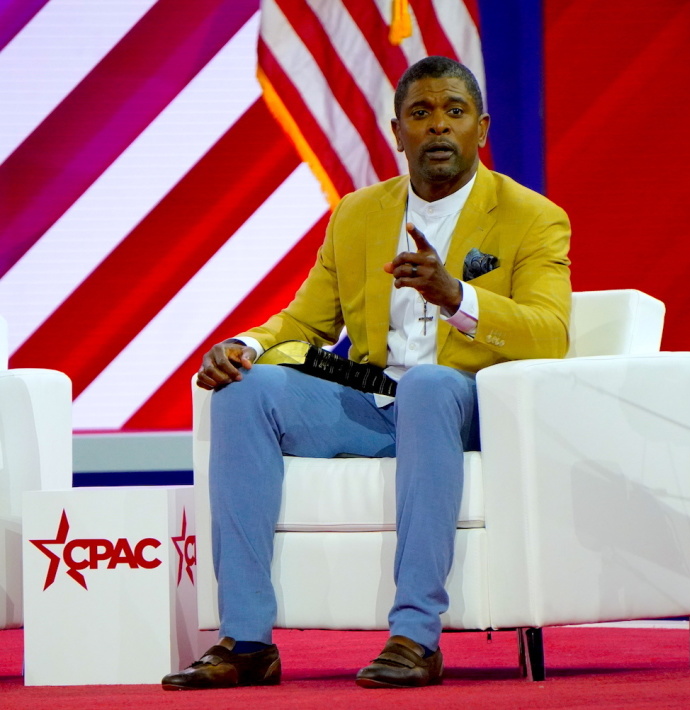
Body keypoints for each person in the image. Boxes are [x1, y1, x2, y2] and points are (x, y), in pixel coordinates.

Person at [161, 55, 571, 691]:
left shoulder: (532, 216)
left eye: (454, 112)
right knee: (247, 390)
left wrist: (455, 295)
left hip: (466, 401)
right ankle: (245, 641)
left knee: (431, 385)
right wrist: (242, 344)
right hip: (377, 393)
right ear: (397, 131)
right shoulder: (358, 213)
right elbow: (305, 325)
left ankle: (414, 637)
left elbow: (551, 334)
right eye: (421, 113)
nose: (438, 126)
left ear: (482, 129)